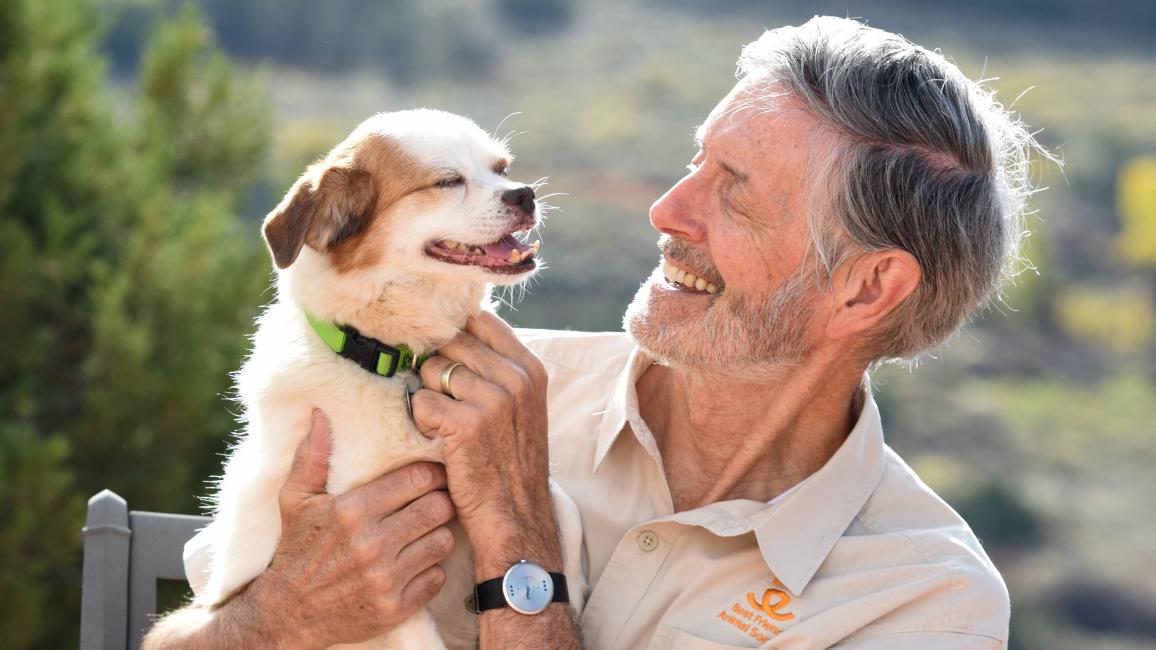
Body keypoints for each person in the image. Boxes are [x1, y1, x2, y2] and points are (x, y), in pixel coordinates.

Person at [143, 16, 1045, 649]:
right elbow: (188, 633)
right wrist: (272, 624)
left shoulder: (925, 603)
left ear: (868, 288)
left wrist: (518, 535)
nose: (666, 209)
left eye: (734, 190)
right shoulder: (440, 376)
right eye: (697, 161)